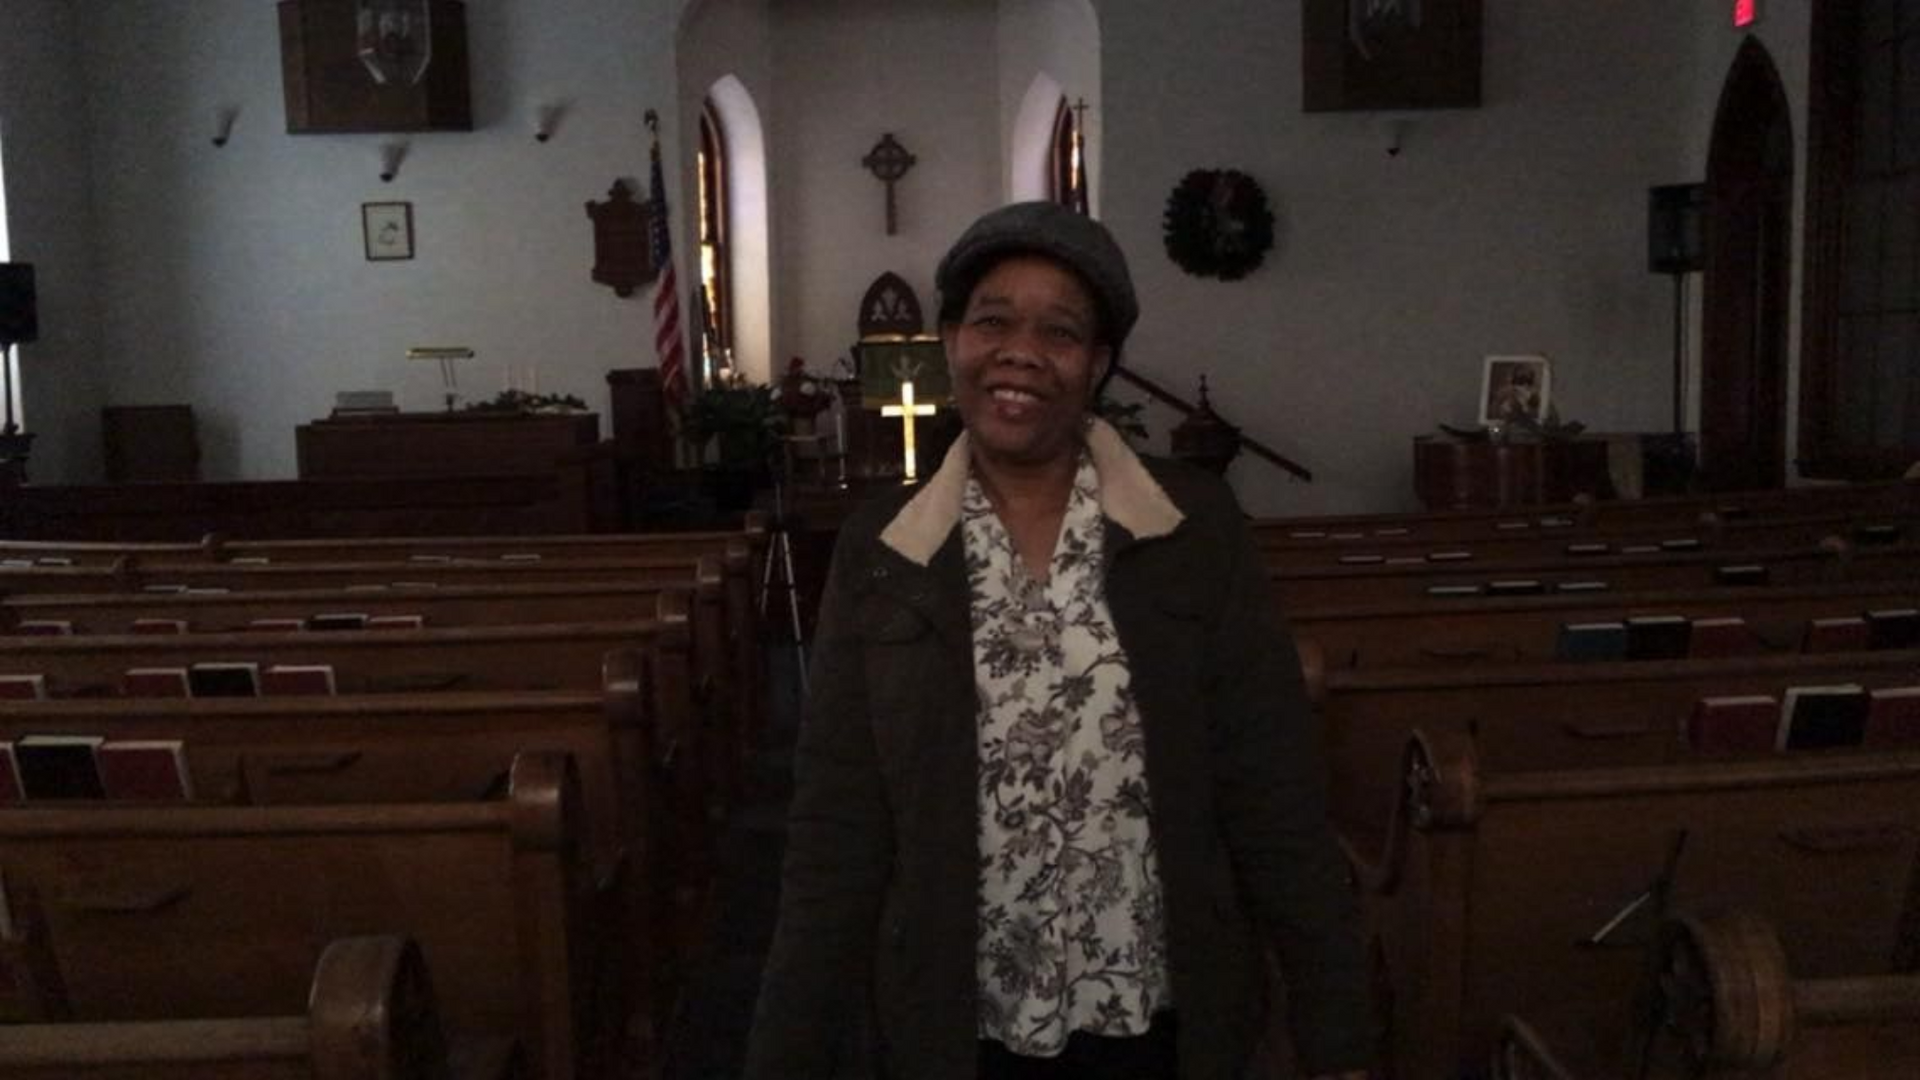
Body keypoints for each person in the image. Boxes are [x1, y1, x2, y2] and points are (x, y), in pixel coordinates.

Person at [744, 201, 1374, 1080]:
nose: (1021, 353)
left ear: (1099, 363)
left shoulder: (1190, 526)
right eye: (993, 321)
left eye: (1061, 331)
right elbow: (836, 826)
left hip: (1160, 1014)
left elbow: (1272, 791)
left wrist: (1338, 1035)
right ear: (953, 339)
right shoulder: (887, 548)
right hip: (957, 1020)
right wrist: (784, 1055)